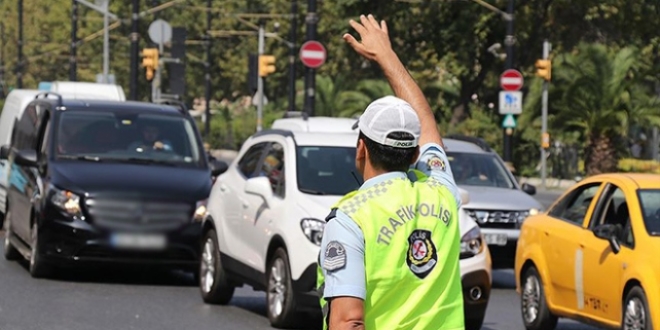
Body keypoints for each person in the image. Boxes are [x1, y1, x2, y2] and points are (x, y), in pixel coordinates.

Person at [316, 14, 465, 330]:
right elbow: (427, 126)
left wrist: (382, 56)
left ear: (361, 148)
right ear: (414, 154)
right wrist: (388, 57)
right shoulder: (442, 194)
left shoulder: (350, 219)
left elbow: (348, 321)